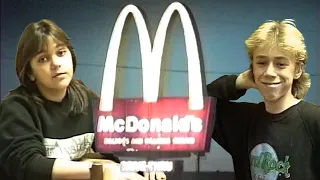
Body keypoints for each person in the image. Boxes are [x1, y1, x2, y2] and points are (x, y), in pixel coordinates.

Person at [0, 19, 166, 180]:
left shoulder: (86, 98)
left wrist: (143, 162)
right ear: (30, 72)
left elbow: (117, 143)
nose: (56, 63)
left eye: (61, 53)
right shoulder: (16, 107)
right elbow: (28, 165)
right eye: (43, 59)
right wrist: (101, 170)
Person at [207, 19, 319, 180]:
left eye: (280, 64)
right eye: (261, 62)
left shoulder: (314, 121)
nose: (269, 72)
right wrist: (238, 82)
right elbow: (197, 104)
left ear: (298, 70)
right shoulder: (243, 122)